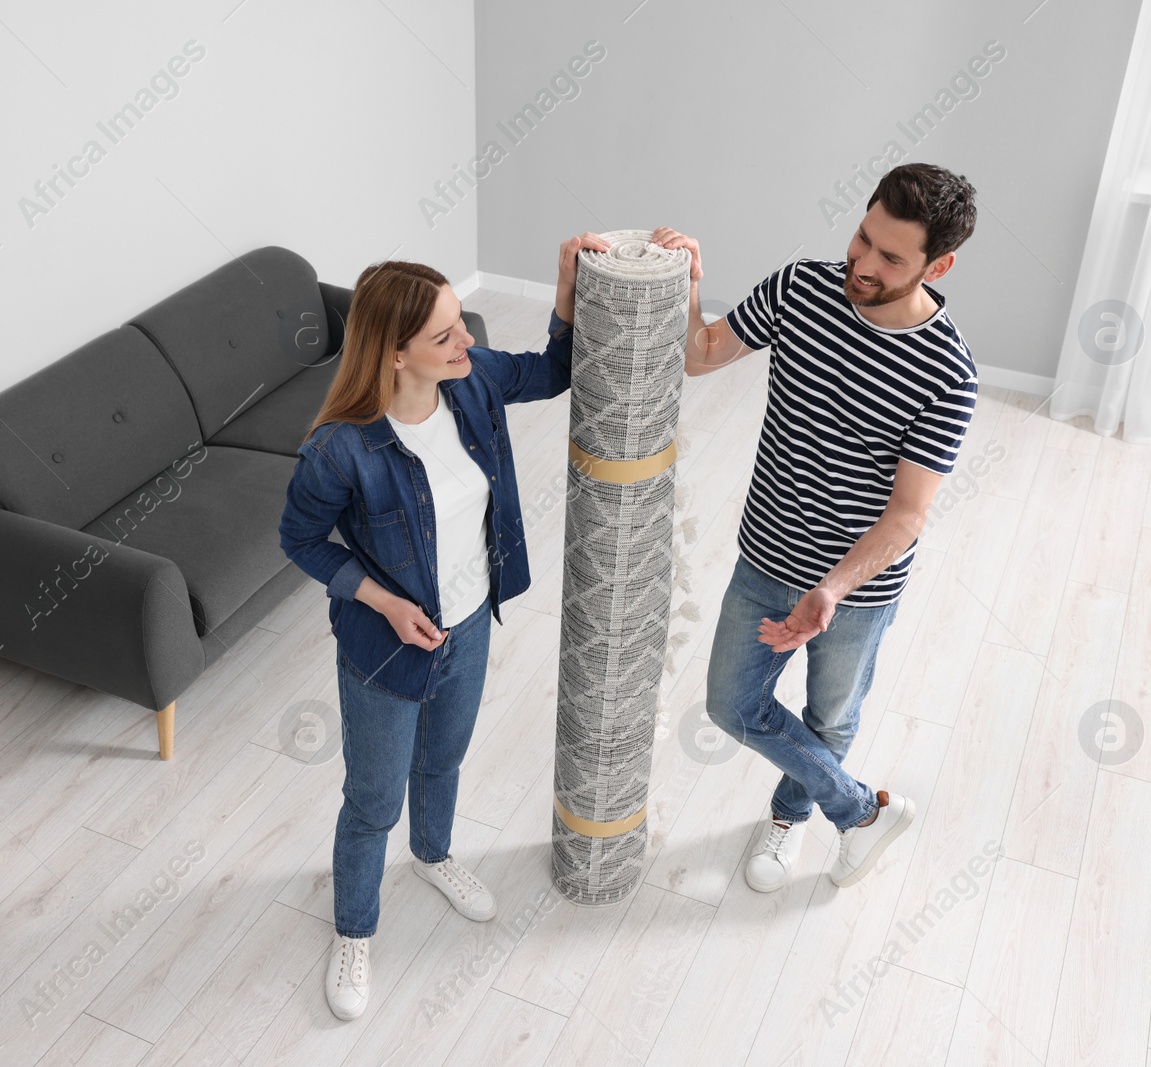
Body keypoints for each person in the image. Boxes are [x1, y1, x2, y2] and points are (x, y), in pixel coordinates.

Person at [278, 233, 609, 1021]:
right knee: (372, 798)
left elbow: (556, 370)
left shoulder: (473, 381)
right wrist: (385, 601)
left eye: (462, 323)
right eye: (446, 335)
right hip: (384, 645)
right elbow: (300, 540)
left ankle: (434, 856)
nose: (469, 341)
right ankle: (355, 929)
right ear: (395, 354)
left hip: (471, 625)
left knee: (445, 760)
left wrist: (565, 281)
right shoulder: (340, 450)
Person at [655, 163, 979, 892]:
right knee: (731, 704)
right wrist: (690, 280)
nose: (862, 264)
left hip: (858, 589)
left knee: (829, 715)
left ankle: (791, 817)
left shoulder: (947, 372)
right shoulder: (800, 288)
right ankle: (861, 810)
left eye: (891, 257)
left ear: (940, 263)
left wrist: (831, 589)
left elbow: (908, 514)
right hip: (768, 551)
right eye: (862, 237)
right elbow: (701, 355)